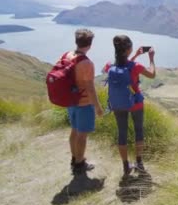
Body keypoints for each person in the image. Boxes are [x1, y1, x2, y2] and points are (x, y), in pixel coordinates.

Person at [103, 35, 156, 177]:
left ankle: (126, 166)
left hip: (118, 104)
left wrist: (135, 55)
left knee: (122, 133)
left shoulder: (109, 66)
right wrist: (151, 58)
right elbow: (152, 74)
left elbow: (122, 66)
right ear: (128, 49)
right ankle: (139, 163)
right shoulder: (135, 66)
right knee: (138, 131)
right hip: (135, 103)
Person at [63, 29, 104, 175]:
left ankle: (75, 159)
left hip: (71, 101)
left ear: (76, 41)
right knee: (82, 135)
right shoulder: (86, 63)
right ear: (90, 45)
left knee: (74, 131)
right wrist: (98, 107)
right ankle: (80, 164)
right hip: (83, 104)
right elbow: (91, 89)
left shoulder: (67, 55)